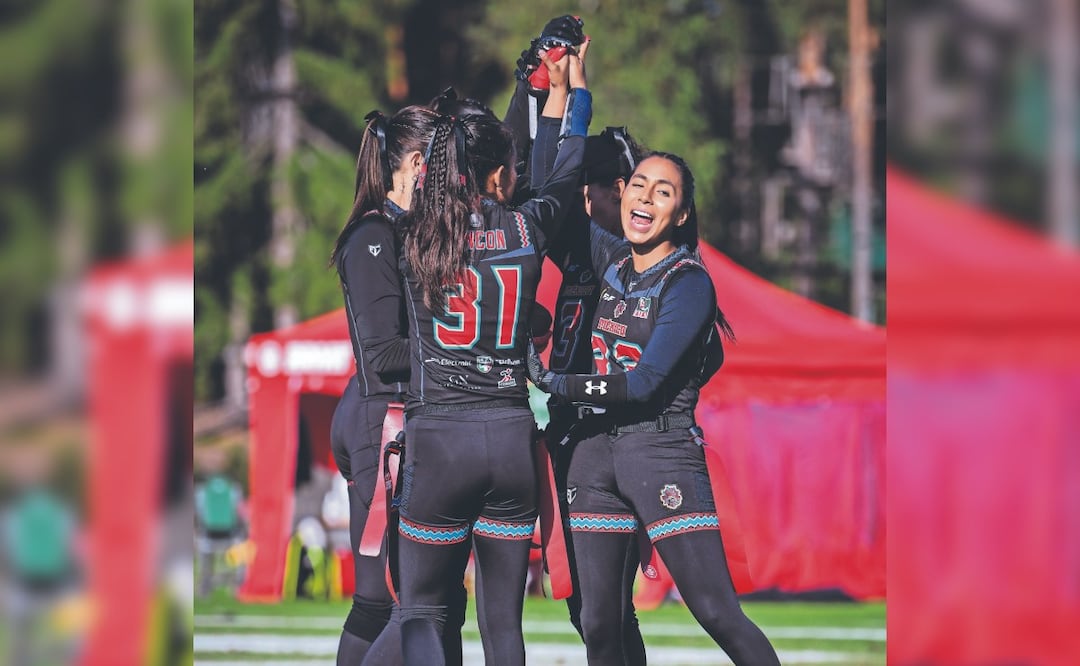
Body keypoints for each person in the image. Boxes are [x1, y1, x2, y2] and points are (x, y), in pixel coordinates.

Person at [528, 152, 781, 666]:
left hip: (660, 451)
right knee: (599, 623)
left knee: (714, 610)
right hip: (593, 456)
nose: (644, 196)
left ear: (682, 213)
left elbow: (643, 384)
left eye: (662, 191)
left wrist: (557, 382)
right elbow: (546, 195)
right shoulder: (610, 258)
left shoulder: (688, 282)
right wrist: (563, 95)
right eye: (638, 185)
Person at [393, 45, 590, 666]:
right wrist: (570, 91)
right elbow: (566, 166)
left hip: (441, 437)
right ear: (502, 173)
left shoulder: (414, 229)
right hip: (509, 439)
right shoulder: (526, 227)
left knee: (421, 613)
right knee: (504, 629)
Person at [329, 104, 446, 665]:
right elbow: (382, 354)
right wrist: (466, 350)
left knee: (406, 600)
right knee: (383, 599)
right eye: (446, 168)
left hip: (397, 415)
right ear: (417, 164)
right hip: (380, 418)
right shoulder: (374, 233)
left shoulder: (413, 231)